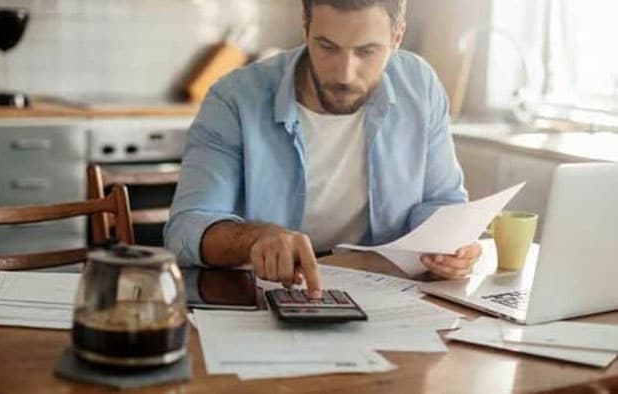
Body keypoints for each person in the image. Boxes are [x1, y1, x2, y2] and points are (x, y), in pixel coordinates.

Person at [165, 0, 482, 299]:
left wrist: (453, 245)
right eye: (327, 47)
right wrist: (255, 238)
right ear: (305, 28)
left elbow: (441, 200)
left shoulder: (420, 86)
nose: (344, 74)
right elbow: (186, 230)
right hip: (261, 299)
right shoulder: (235, 99)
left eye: (367, 51)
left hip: (384, 298)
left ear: (397, 36)